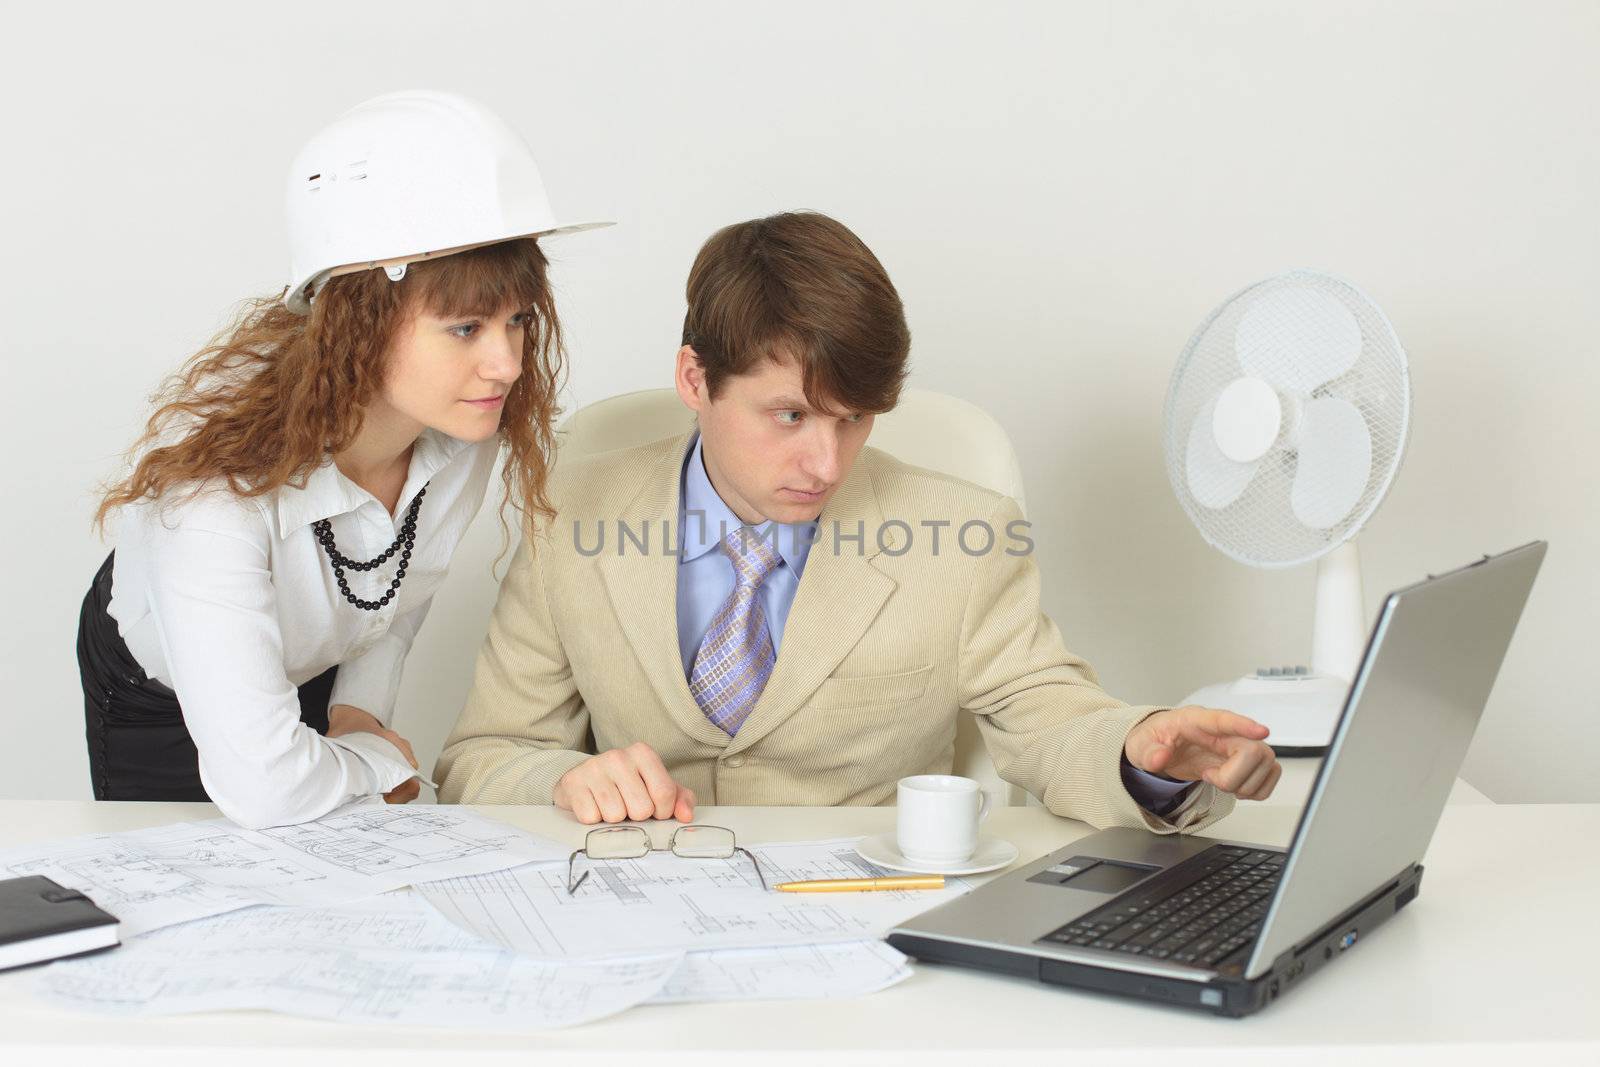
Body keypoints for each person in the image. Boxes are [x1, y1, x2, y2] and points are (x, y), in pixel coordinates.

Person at [435, 211, 1280, 831]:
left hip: (866, 922)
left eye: (854, 420)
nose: (827, 465)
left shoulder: (962, 535)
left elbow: (1051, 720)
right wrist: (560, 778)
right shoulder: (567, 517)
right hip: (636, 909)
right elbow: (483, 754)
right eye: (791, 417)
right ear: (695, 379)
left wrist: (1141, 754)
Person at [77, 91, 607, 828]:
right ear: (361, 321)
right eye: (464, 328)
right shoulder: (211, 497)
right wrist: (379, 760)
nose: (507, 363)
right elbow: (263, 786)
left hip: (321, 641)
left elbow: (397, 592)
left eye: (517, 320)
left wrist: (357, 714)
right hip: (158, 683)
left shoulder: (460, 422)